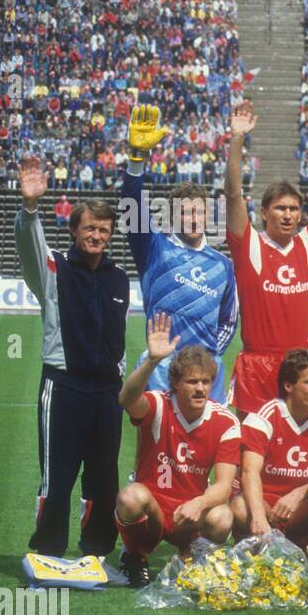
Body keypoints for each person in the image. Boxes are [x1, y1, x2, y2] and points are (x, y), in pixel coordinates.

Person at [15, 155, 128, 558]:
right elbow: (30, 247)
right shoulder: (54, 267)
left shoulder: (118, 276)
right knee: (58, 477)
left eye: (103, 229)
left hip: (107, 394)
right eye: (89, 228)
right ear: (74, 230)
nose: (96, 235)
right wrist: (30, 208)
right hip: (64, 386)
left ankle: (97, 551)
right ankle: (47, 551)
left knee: (103, 480)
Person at [224, 99, 308, 416]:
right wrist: (237, 140)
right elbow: (232, 194)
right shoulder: (248, 244)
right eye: (281, 208)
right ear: (264, 212)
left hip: (299, 365)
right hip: (256, 365)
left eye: (294, 209)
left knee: (298, 457)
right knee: (248, 454)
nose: (288, 215)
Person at [115, 314, 241, 587]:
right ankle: (136, 557)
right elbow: (126, 399)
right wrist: (152, 361)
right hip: (153, 512)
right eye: (192, 382)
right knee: (129, 497)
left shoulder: (226, 422)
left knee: (223, 516)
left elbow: (222, 487)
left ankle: (192, 559)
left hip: (189, 515)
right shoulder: (158, 404)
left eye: (206, 382)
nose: (200, 389)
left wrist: (199, 503)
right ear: (175, 383)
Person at [122, 104, 237, 400]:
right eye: (185, 213)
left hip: (205, 371)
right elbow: (131, 204)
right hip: (160, 366)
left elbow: (228, 319)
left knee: (209, 442)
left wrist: (209, 355)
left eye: (199, 212)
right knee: (158, 441)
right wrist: (136, 160)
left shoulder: (222, 266)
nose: (194, 219)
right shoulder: (155, 248)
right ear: (173, 217)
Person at [230, 349, 308, 544]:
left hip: (302, 501)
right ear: (288, 385)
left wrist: (298, 494)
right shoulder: (263, 417)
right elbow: (249, 473)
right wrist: (259, 516)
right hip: (264, 500)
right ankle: (250, 553)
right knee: (240, 507)